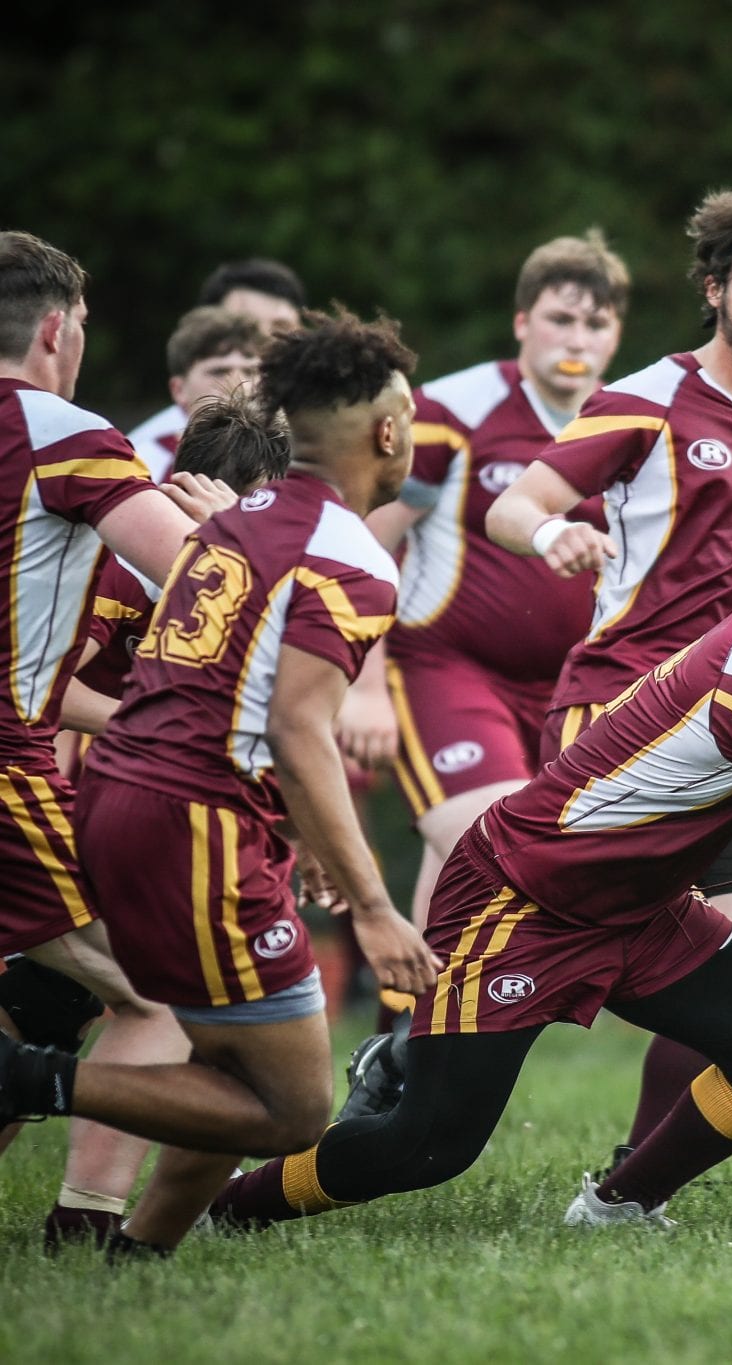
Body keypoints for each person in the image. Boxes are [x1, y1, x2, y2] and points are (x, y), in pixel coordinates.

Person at [205, 503, 732, 1232]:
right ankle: (229, 1208)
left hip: (645, 910)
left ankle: (620, 1204)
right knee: (427, 1148)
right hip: (522, 901)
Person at [0, 311, 442, 1259]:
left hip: (130, 797)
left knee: (229, 1059)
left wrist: (309, 845)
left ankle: (139, 1249)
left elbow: (225, 703)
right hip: (191, 820)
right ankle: (23, 1081)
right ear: (388, 432)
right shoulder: (351, 555)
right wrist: (371, 902)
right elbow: (295, 727)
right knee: (290, 1106)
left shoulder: (226, 521)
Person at [479, 179, 732, 1192]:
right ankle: (420, 1062)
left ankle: (628, 1184)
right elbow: (518, 502)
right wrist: (556, 533)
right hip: (621, 712)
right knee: (580, 955)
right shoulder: (647, 397)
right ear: (715, 289)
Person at [0, 231, 236, 1219]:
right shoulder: (63, 432)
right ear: (57, 330)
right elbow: (204, 575)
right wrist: (232, 524)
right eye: (84, 327)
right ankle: (84, 1226)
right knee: (155, 993)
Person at [350, 232, 628, 1029]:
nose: (577, 341)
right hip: (445, 668)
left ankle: (406, 1036)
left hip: (573, 689)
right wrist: (364, 682)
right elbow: (367, 537)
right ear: (521, 323)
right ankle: (411, 1038)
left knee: (476, 856)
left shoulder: (632, 415)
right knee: (494, 841)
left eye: (596, 325)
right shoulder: (457, 408)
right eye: (561, 319)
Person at [38, 395, 294, 1249]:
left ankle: (93, 1217)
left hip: (179, 835)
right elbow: (44, 685)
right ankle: (88, 1219)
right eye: (255, 505)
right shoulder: (115, 566)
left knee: (74, 1010)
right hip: (77, 823)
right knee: (143, 1003)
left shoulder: (267, 575)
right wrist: (146, 723)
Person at [128, 259, 305, 461]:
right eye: (245, 325)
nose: (260, 345)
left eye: (280, 328)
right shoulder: (144, 456)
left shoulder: (325, 442)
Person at [124, 307, 269, 479]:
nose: (239, 384)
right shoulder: (142, 463)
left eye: (250, 372)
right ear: (178, 390)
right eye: (219, 372)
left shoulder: (292, 461)